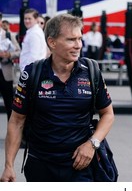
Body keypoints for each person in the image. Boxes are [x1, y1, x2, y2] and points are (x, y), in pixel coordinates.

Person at [0, 13, 115, 182]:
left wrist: (92, 144)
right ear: (52, 42)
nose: (78, 45)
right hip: (41, 166)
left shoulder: (91, 71)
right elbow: (17, 121)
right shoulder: (32, 73)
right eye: (71, 40)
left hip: (80, 165)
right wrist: (9, 165)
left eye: (79, 39)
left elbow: (108, 114)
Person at [0, 14, 21, 120]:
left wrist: (8, 55)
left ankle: (11, 134)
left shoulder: (8, 35)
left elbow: (18, 51)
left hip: (6, 73)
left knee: (9, 104)